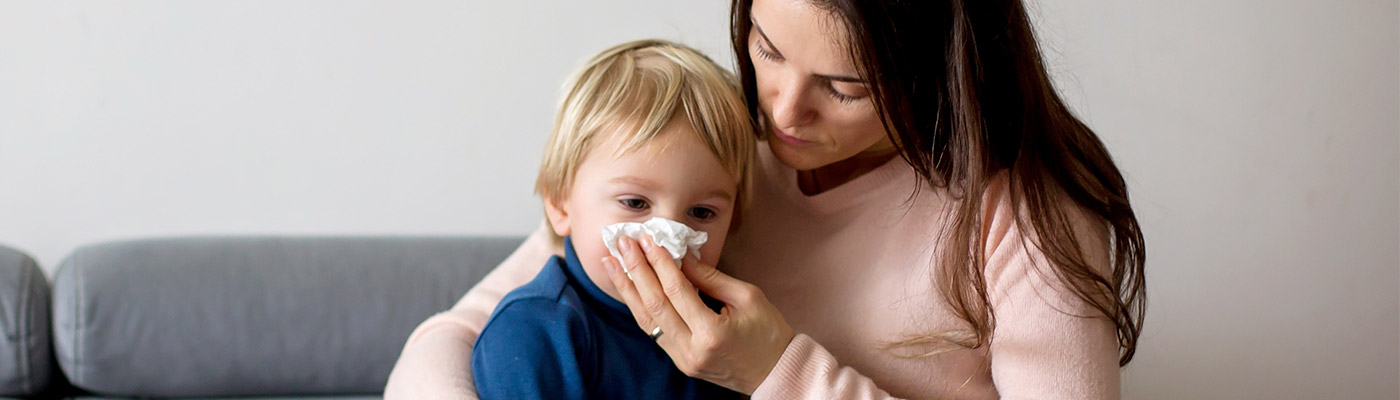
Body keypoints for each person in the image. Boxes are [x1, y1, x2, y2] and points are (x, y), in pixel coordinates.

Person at [386, 0, 1147, 398]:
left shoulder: (1028, 218)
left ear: (938, 72)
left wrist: (777, 372)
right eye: (766, 48)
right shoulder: (712, 147)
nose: (781, 114)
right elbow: (451, 337)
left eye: (844, 88)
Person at [469, 39, 752, 400]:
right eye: (635, 203)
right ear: (560, 205)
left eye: (701, 213)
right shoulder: (533, 333)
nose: (664, 240)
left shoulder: (719, 332)